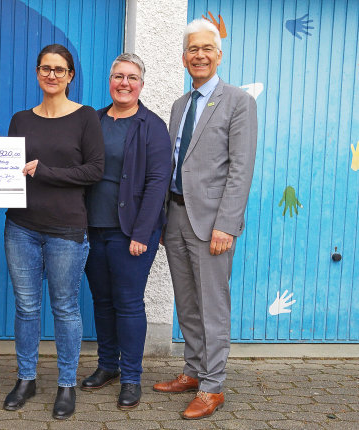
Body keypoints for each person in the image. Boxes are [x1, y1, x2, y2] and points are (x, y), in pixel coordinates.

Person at [152, 19, 257, 420]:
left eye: (206, 49)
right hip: (176, 217)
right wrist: (162, 218)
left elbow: (240, 168)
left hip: (213, 223)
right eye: (192, 49)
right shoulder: (181, 104)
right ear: (183, 57)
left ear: (219, 54)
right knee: (188, 303)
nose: (199, 55)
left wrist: (227, 224)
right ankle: (194, 371)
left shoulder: (238, 101)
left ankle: (213, 387)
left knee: (213, 305)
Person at [2, 44, 104, 420]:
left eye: (60, 69)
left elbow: (94, 170)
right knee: (27, 307)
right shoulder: (20, 120)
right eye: (45, 68)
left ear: (70, 76)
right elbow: (6, 169)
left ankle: (66, 383)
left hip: (67, 230)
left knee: (64, 308)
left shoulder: (85, 117)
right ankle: (26, 378)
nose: (52, 75)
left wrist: (45, 171)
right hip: (21, 227)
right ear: (37, 72)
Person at [81, 53, 171, 410]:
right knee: (102, 302)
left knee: (129, 303)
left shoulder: (152, 126)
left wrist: (142, 233)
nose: (124, 83)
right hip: (92, 229)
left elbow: (157, 183)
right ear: (110, 82)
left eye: (132, 77)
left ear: (142, 84)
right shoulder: (94, 120)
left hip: (131, 233)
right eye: (118, 76)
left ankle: (131, 376)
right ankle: (108, 366)